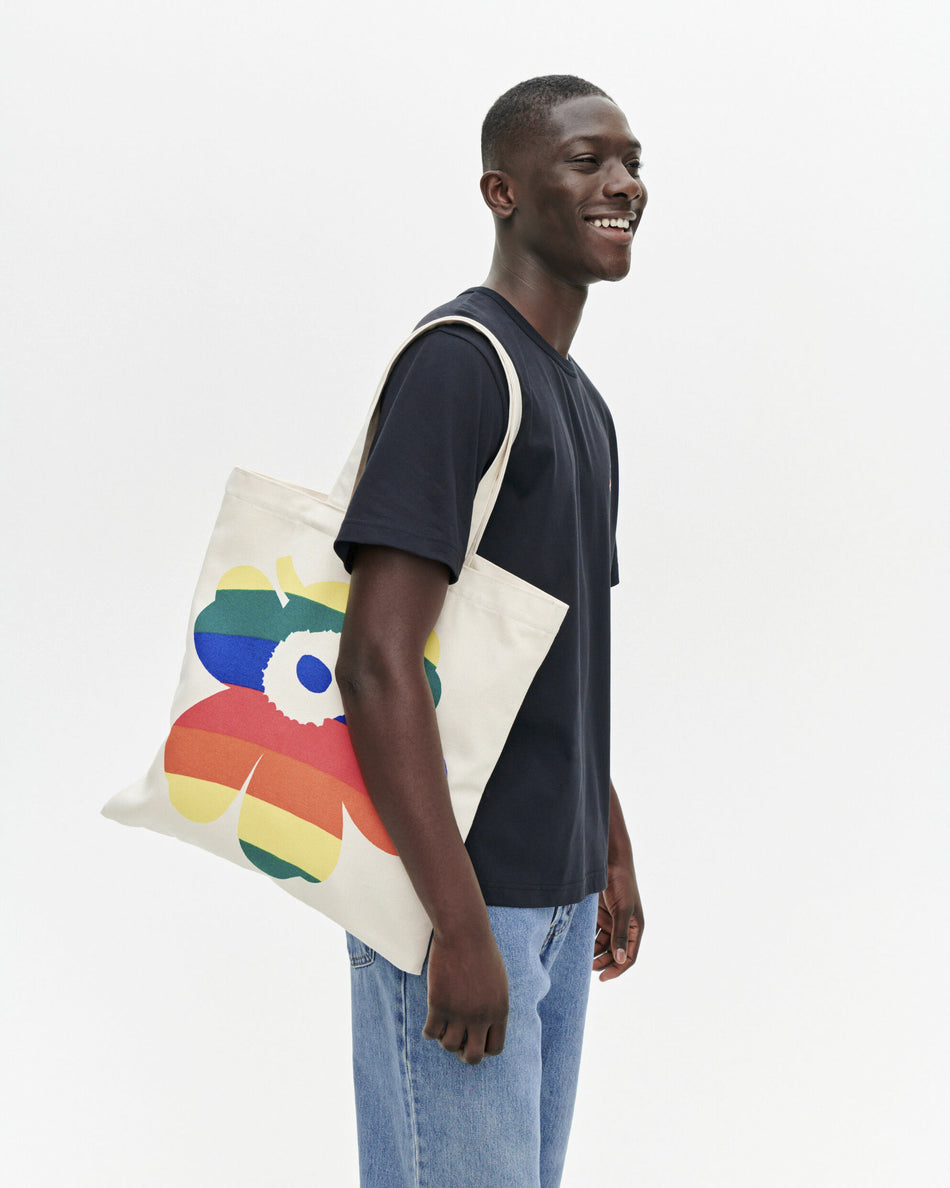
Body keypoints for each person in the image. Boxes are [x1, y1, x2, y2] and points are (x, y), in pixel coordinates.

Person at [333, 74, 647, 1187]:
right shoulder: (460, 365)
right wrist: (457, 929)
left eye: (633, 162)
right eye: (587, 160)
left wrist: (604, 842)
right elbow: (375, 662)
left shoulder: (581, 402)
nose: (623, 184)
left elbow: (560, 657)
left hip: (551, 893)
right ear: (501, 191)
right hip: (459, 896)